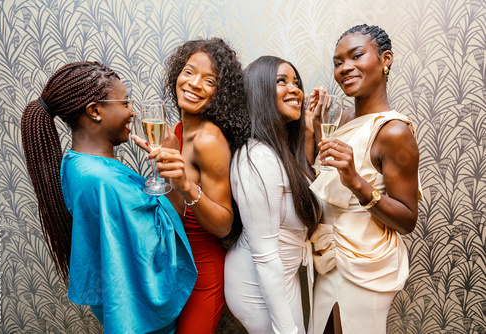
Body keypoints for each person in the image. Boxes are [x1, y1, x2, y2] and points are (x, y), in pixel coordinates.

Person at [21, 61, 197, 334]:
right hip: (142, 323)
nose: (132, 112)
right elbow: (160, 250)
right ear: (95, 111)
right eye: (125, 103)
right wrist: (172, 168)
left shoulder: (76, 163)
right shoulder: (104, 182)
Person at [307, 24, 422, 334]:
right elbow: (323, 184)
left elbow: (407, 220)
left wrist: (357, 181)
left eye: (356, 56)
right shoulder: (340, 120)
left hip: (366, 264)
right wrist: (312, 125)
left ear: (385, 59)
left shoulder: (394, 132)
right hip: (329, 260)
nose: (345, 68)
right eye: (337, 62)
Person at [134, 38, 250, 334]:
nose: (194, 83)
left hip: (203, 271)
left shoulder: (208, 140)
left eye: (209, 80)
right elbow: (176, 211)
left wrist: (185, 184)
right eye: (189, 72)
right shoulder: (176, 131)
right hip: (177, 265)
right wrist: (163, 174)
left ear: (220, 93)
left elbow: (224, 225)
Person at [223, 55, 321, 334]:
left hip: (283, 276)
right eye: (281, 82)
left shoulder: (281, 152)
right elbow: (264, 256)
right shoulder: (258, 159)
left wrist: (312, 130)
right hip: (256, 282)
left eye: (296, 82)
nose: (295, 89)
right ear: (260, 92)